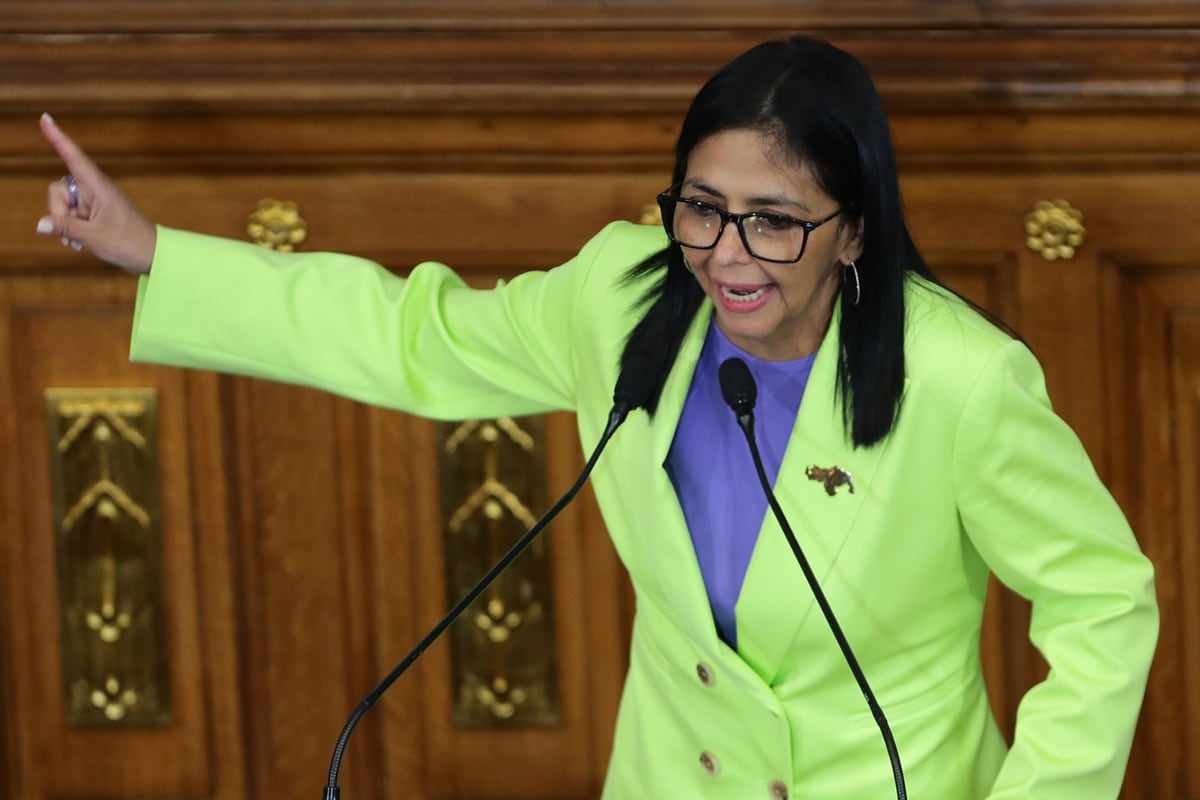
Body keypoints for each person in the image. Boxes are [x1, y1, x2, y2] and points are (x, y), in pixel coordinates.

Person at [37, 35, 1156, 800]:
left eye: (773, 221)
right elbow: (408, 333)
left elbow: (1102, 594)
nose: (726, 254)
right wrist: (154, 252)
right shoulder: (620, 299)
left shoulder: (961, 379)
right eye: (703, 209)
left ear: (853, 230)